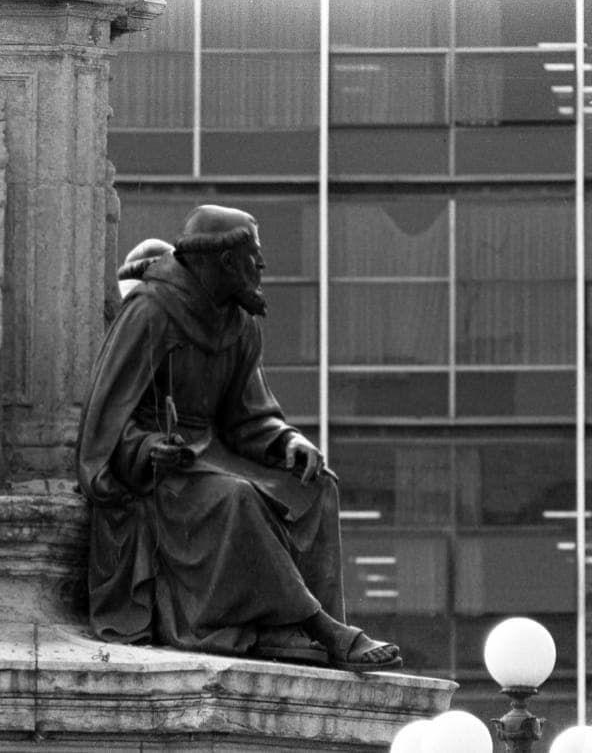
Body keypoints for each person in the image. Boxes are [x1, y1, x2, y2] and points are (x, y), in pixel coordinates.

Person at [77, 205, 401, 672]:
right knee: (237, 499)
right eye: (253, 256)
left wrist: (286, 442)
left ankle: (287, 632)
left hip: (218, 452)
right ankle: (321, 628)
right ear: (225, 262)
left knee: (315, 485)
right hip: (163, 470)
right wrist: (147, 449)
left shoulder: (239, 321)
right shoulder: (149, 312)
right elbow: (104, 420)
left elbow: (249, 416)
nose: (261, 267)